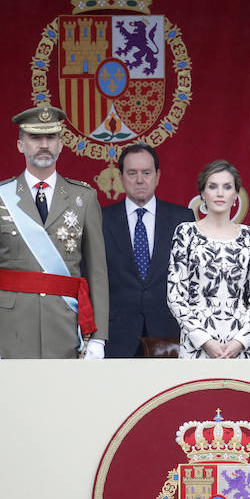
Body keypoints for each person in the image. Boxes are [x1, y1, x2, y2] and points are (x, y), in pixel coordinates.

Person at [0, 105, 109, 359]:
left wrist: (98, 338)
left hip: (65, 328)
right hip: (10, 329)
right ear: (20, 145)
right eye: (35, 137)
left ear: (61, 144)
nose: (44, 144)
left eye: (51, 137)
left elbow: (98, 273)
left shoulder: (84, 198)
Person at [102, 144, 194, 357]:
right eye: (132, 173)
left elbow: (191, 280)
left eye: (146, 173)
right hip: (116, 335)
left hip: (169, 334)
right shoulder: (101, 219)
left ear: (157, 176)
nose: (139, 180)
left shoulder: (183, 218)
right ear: (121, 177)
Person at [167, 160, 250, 358]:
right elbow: (175, 295)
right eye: (213, 186)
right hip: (196, 344)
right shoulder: (186, 232)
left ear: (236, 194)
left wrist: (241, 340)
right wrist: (205, 340)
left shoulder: (249, 235)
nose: (220, 193)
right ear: (202, 193)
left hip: (238, 344)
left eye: (227, 187)